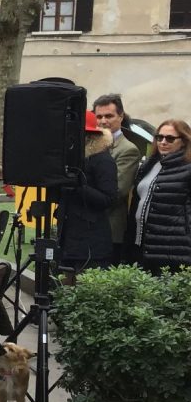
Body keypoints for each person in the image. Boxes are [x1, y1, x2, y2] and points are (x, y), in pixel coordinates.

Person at [56, 111, 119, 272]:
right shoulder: (73, 159)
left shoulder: (103, 160)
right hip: (68, 239)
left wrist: (78, 186)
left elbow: (108, 199)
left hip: (91, 245)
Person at [129, 119, 191, 272]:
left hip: (174, 248)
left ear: (183, 141)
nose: (163, 142)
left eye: (170, 138)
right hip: (142, 243)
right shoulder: (149, 165)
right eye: (159, 137)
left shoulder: (187, 168)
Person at [92, 93, 141, 261]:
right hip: (87, 228)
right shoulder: (90, 144)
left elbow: (117, 192)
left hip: (109, 230)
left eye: (109, 116)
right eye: (99, 116)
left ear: (121, 116)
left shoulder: (128, 150)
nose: (103, 121)